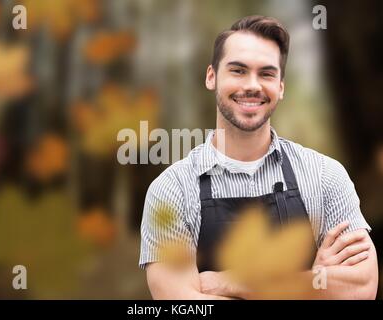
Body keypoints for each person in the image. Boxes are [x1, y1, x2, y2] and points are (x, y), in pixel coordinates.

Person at [139, 15, 378, 299]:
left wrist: (231, 283)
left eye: (266, 73)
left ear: (281, 87)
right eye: (238, 71)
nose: (252, 85)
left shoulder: (325, 175)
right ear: (211, 77)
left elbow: (361, 288)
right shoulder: (170, 191)